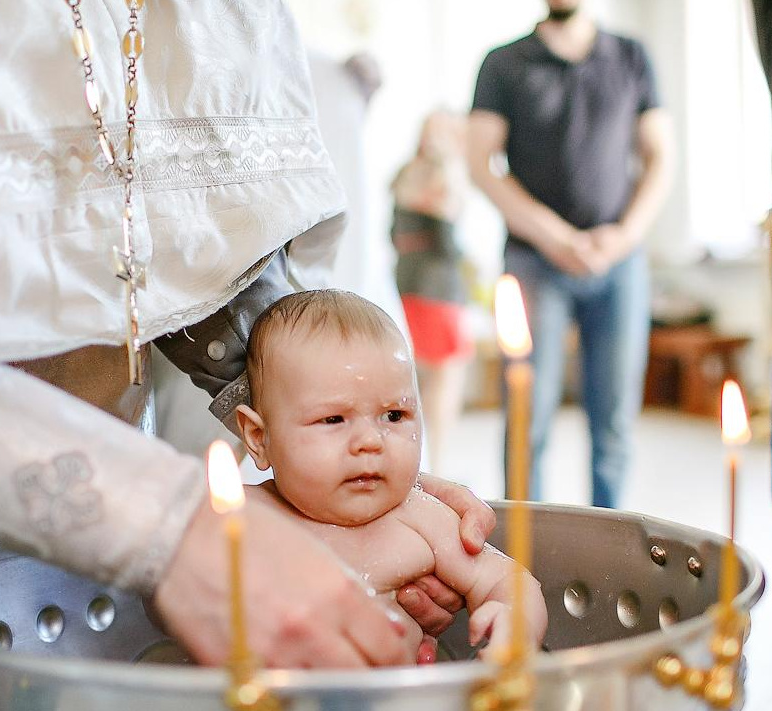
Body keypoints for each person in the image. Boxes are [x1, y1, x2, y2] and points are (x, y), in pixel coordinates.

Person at [0, 3, 495, 670]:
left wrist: (323, 430)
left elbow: (191, 212)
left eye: (396, 415)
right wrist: (164, 526)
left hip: (102, 471)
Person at [235, 289, 548, 662]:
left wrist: (514, 624)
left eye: (394, 415)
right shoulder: (244, 518)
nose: (370, 441)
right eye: (333, 419)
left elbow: (510, 582)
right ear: (258, 438)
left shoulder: (420, 519)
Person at [468, 0, 674, 508]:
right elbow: (481, 164)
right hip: (533, 261)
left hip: (619, 262)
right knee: (526, 418)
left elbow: (661, 156)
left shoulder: (631, 56)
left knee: (614, 422)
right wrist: (555, 237)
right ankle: (523, 551)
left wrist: (623, 237)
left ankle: (609, 546)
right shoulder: (502, 61)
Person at [391, 110, 476, 474]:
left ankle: (423, 458)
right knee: (446, 376)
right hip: (440, 289)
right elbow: (447, 244)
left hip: (408, 283)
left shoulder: (404, 176)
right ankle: (436, 460)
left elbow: (392, 236)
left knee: (422, 376)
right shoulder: (444, 175)